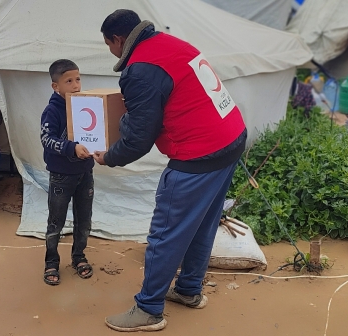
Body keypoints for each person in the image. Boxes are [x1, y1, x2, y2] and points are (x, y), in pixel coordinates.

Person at [94, 9, 247, 332]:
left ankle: (149, 309)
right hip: (230, 138)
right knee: (203, 223)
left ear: (118, 40)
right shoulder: (171, 44)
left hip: (199, 153)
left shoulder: (141, 70)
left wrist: (108, 157)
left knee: (166, 233)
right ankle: (189, 290)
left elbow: (138, 139)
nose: (110, 50)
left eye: (108, 44)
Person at [40, 59, 95, 286]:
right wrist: (71, 148)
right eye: (69, 81)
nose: (75, 85)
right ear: (56, 86)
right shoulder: (52, 111)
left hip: (85, 173)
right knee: (56, 221)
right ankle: (51, 262)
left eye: (78, 79)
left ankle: (78, 257)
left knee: (84, 220)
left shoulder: (86, 105)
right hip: (61, 175)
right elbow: (46, 139)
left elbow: (95, 130)